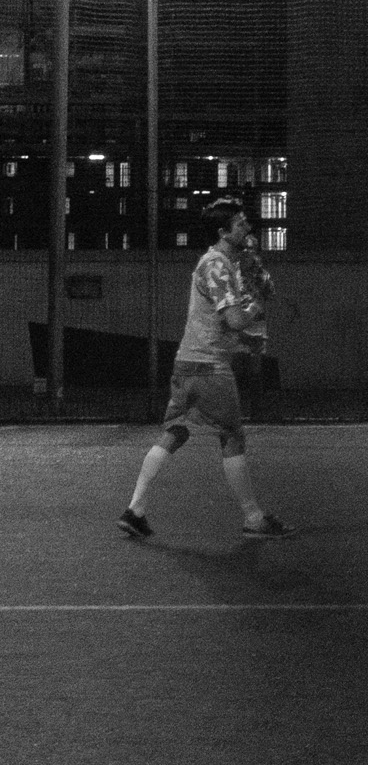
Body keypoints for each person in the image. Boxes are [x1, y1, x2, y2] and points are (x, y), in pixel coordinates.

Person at [116, 199, 293, 540]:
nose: (248, 229)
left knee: (175, 431)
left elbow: (229, 319)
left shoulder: (220, 263)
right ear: (223, 231)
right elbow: (235, 318)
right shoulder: (217, 265)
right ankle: (253, 518)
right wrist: (258, 302)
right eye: (241, 224)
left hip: (186, 364)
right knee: (232, 437)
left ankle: (134, 510)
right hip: (210, 368)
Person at [234, 226, 277, 423]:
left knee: (255, 371)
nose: (248, 254)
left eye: (252, 250)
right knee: (232, 370)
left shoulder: (260, 274)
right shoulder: (232, 272)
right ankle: (232, 412)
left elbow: (270, 293)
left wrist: (260, 274)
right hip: (236, 324)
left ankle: (256, 411)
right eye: (245, 250)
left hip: (256, 325)